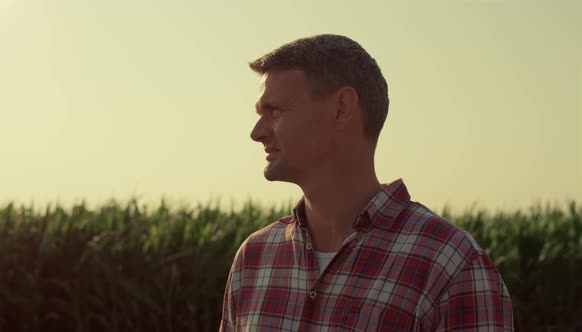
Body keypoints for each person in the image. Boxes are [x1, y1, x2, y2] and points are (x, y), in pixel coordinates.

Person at [220, 34, 514, 331]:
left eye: (275, 111)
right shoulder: (254, 259)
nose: (257, 132)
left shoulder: (449, 264)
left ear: (342, 107)